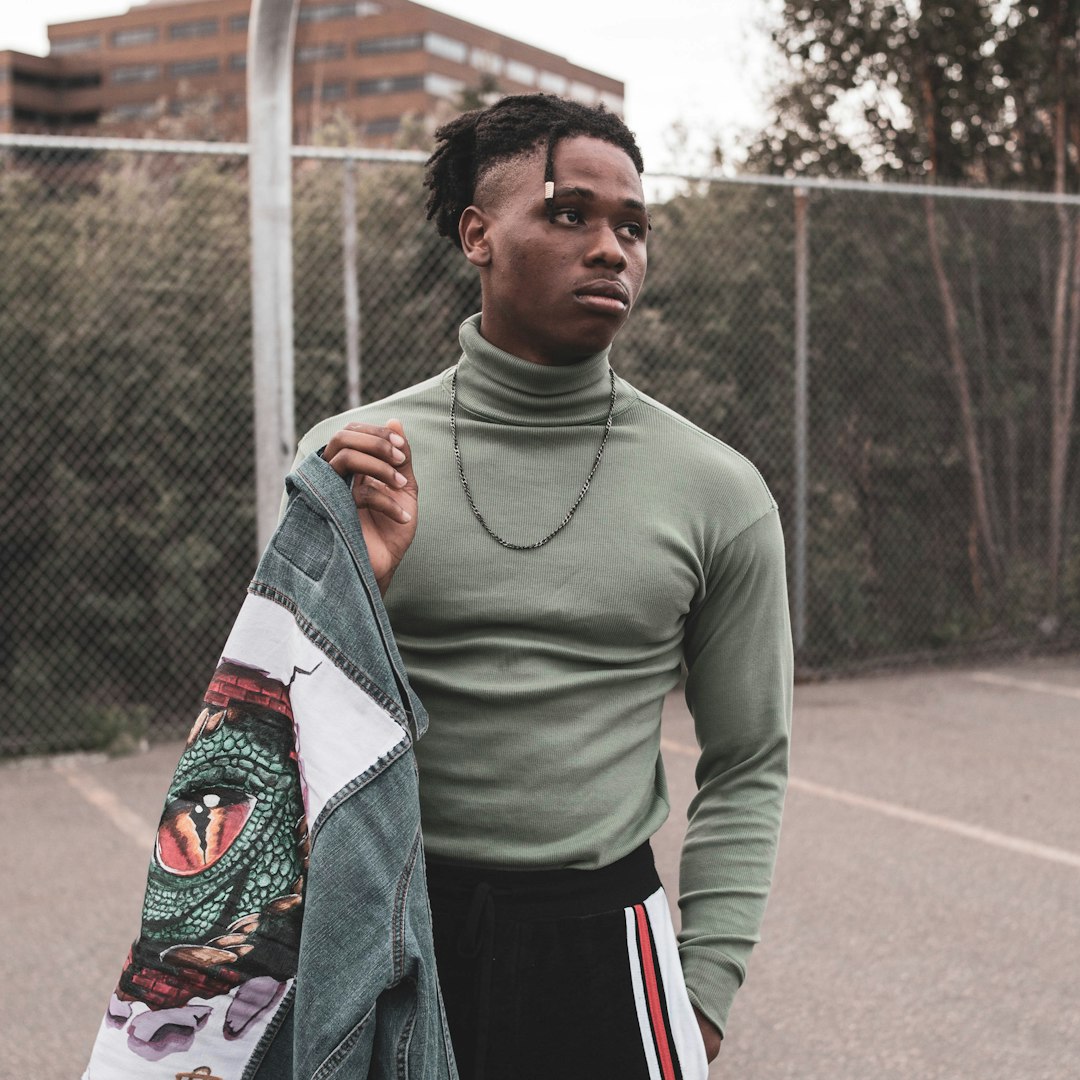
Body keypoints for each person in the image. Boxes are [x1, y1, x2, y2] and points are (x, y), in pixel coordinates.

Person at [293, 94, 793, 1079]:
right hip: (391, 928)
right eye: (572, 214)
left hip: (605, 936)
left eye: (633, 226)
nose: (611, 248)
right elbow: (279, 731)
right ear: (478, 235)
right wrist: (363, 581)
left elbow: (748, 761)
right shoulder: (355, 460)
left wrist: (704, 994)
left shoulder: (717, 490)